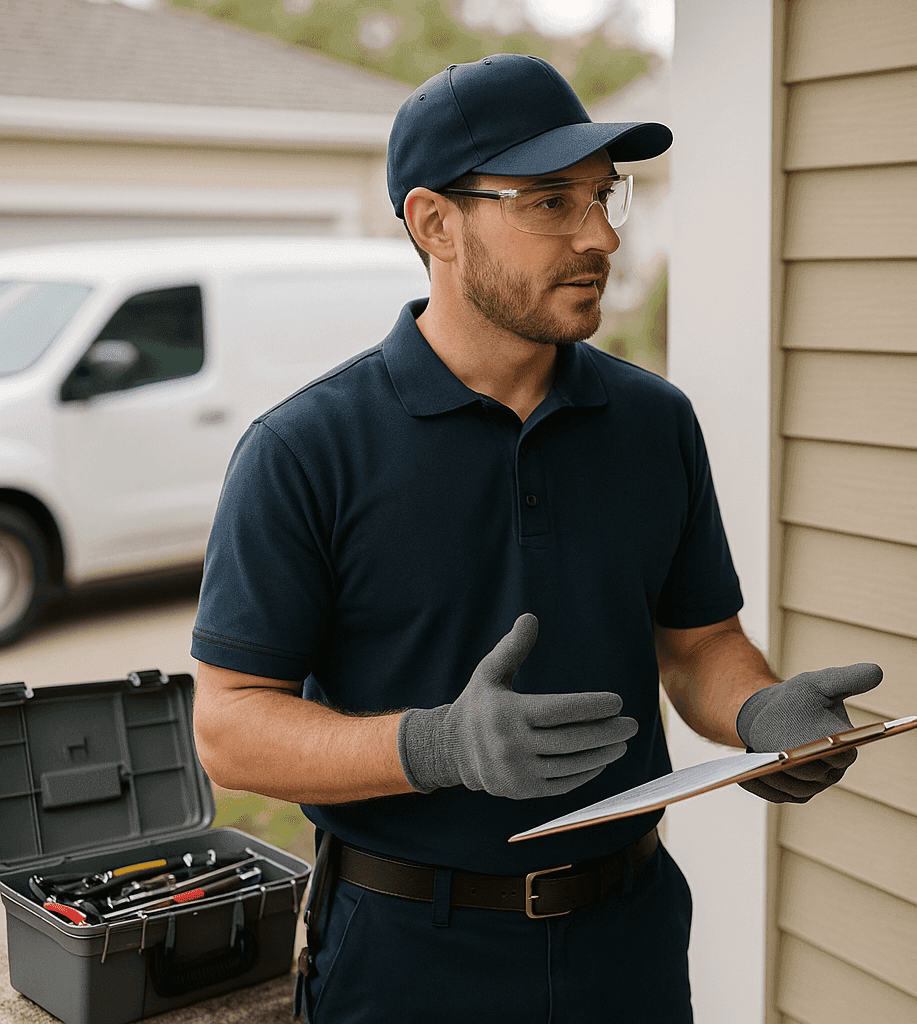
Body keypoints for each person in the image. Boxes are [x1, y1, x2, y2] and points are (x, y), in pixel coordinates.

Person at [189, 54, 881, 1024]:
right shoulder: (305, 449)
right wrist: (434, 745)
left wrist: (762, 716)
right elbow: (227, 725)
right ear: (436, 223)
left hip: (626, 939)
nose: (600, 234)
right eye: (551, 202)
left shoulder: (655, 423)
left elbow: (696, 644)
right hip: (407, 958)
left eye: (604, 197)